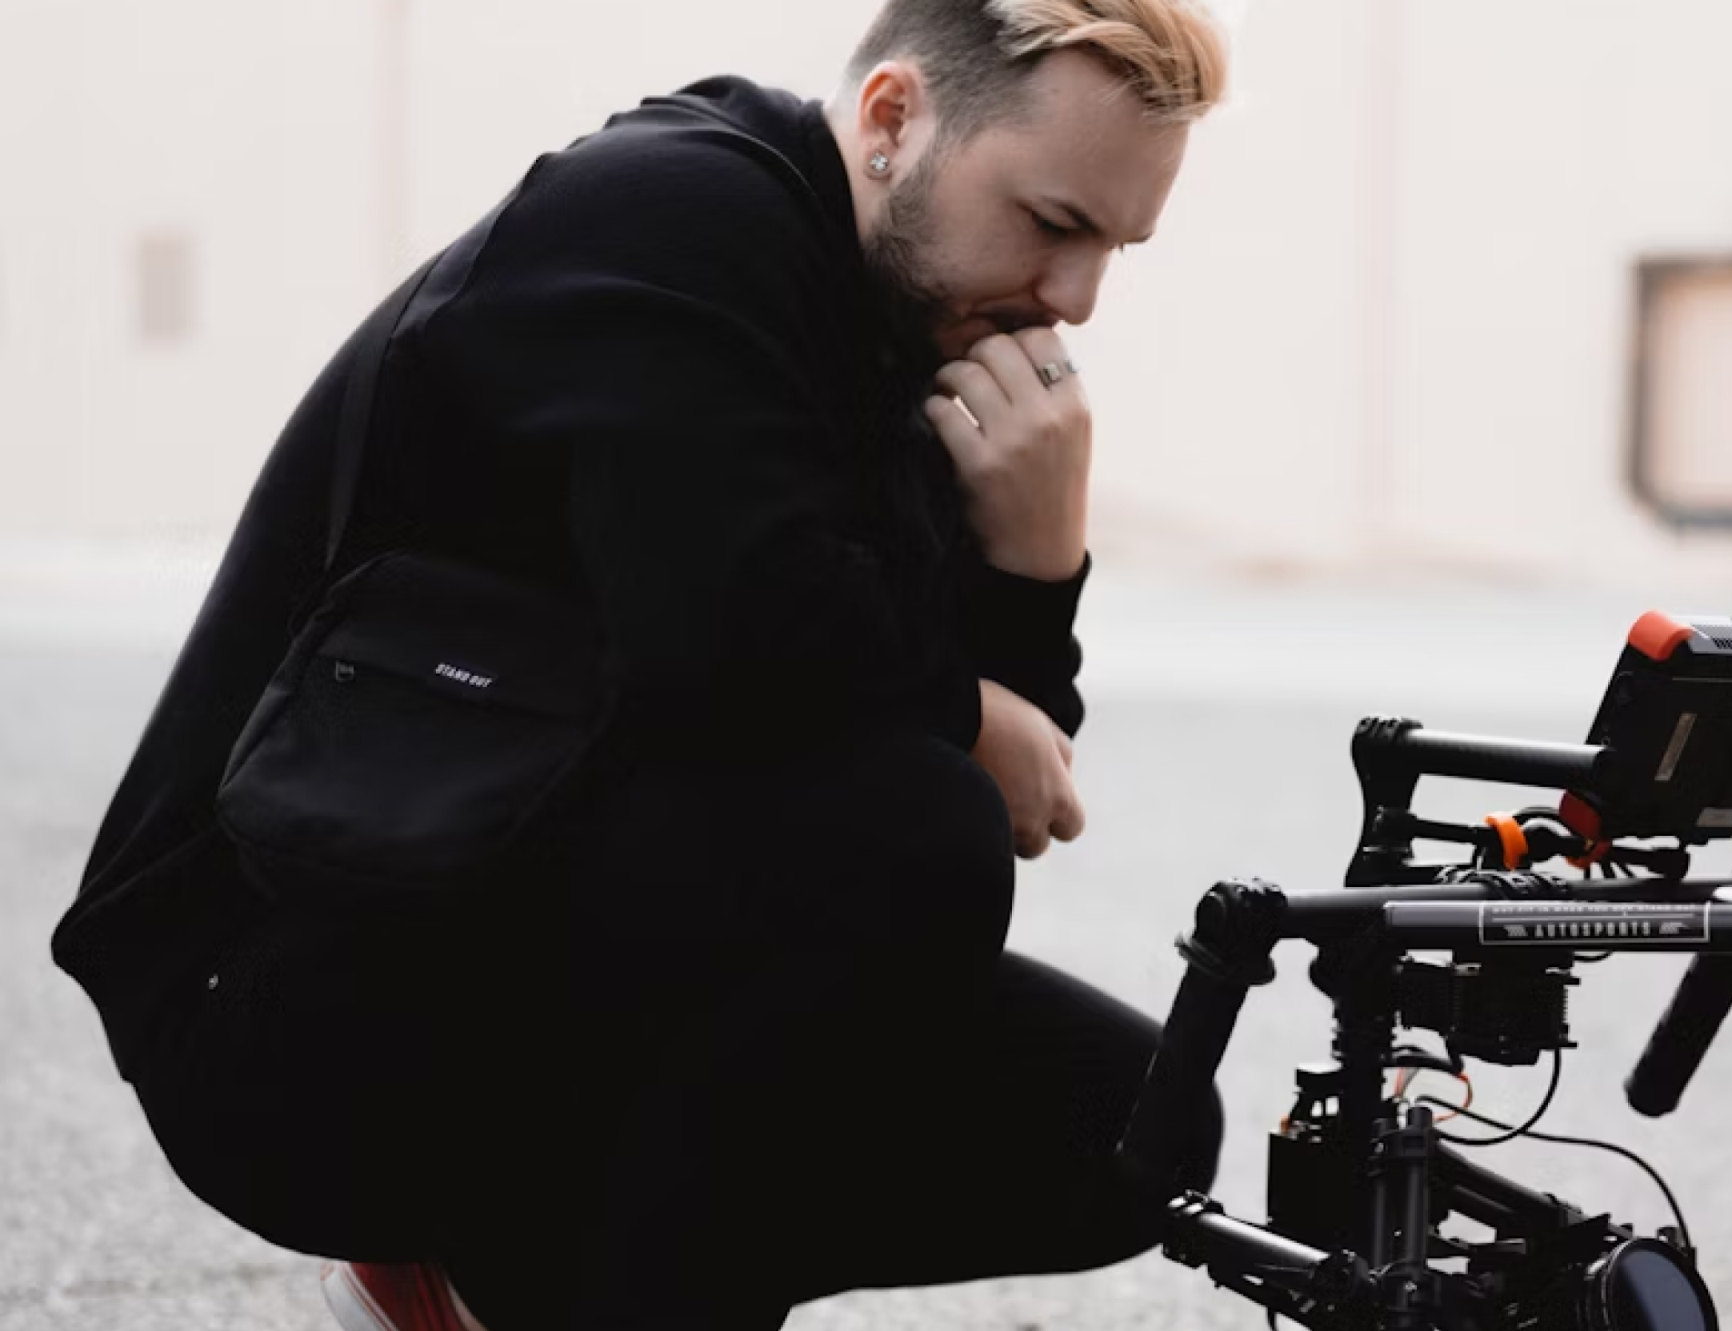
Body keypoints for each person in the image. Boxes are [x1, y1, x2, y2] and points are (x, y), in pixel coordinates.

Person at [50, 1, 1233, 1327]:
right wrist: (967, 712)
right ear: (895, 119)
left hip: (503, 907)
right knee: (910, 831)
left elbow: (1015, 776)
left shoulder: (914, 329)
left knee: (1136, 1124)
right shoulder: (668, 213)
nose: (1074, 298)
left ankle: (497, 1288)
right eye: (1054, 222)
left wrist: (1035, 560)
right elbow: (734, 636)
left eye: (1115, 249)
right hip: (275, 971)